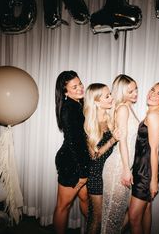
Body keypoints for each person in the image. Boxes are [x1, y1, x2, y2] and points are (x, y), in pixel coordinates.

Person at [129, 82, 159, 234]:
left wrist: (153, 181)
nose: (152, 94)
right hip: (146, 169)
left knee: (134, 218)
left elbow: (154, 150)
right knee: (146, 210)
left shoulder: (153, 115)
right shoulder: (157, 113)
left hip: (145, 171)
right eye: (153, 89)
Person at [101, 74, 140, 234]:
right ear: (122, 92)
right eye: (130, 91)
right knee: (111, 217)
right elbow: (122, 140)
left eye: (136, 89)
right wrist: (125, 169)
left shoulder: (128, 106)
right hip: (117, 167)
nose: (135, 93)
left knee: (118, 218)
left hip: (124, 165)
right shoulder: (123, 108)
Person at [53, 70, 89, 234]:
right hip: (72, 162)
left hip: (81, 160)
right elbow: (75, 143)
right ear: (65, 92)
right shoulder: (69, 109)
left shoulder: (79, 104)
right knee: (63, 205)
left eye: (80, 83)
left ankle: (93, 229)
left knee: (85, 199)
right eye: (74, 87)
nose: (80, 88)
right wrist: (83, 171)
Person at [83, 83, 119, 234]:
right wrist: (112, 140)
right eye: (107, 96)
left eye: (110, 94)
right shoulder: (89, 124)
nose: (111, 97)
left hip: (111, 173)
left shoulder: (110, 119)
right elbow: (94, 156)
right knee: (96, 217)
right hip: (96, 175)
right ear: (96, 101)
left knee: (109, 216)